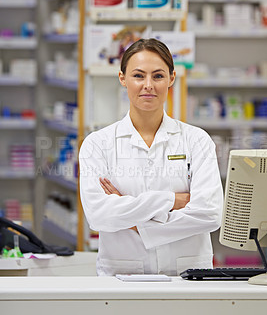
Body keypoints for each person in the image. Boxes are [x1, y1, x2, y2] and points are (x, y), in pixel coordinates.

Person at [79, 38, 223, 276]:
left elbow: (209, 214)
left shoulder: (197, 140)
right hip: (121, 275)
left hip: (188, 275)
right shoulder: (98, 144)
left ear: (171, 79)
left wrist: (136, 224)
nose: (148, 85)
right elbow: (99, 216)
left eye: (158, 76)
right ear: (123, 78)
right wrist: (171, 200)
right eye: (138, 76)